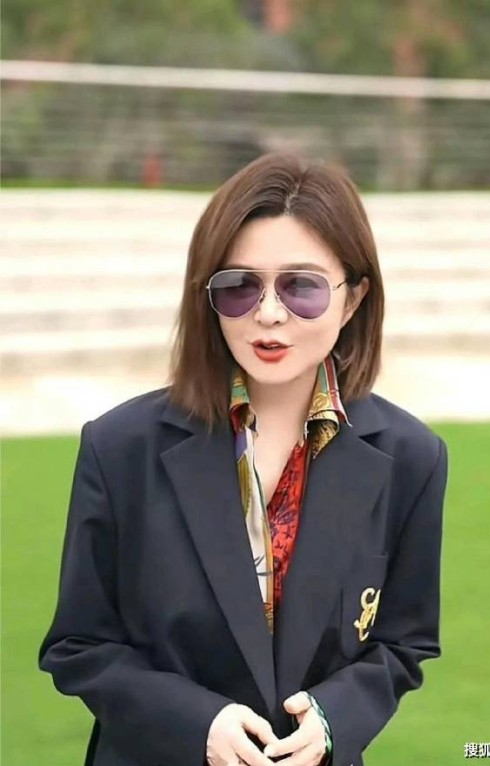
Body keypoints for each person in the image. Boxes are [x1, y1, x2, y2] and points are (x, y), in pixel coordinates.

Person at [40, 153, 449, 766]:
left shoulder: (412, 458)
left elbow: (402, 643)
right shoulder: (119, 447)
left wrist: (335, 719)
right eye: (240, 286)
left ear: (354, 298)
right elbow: (80, 645)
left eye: (302, 286)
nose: (269, 313)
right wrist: (196, 723)